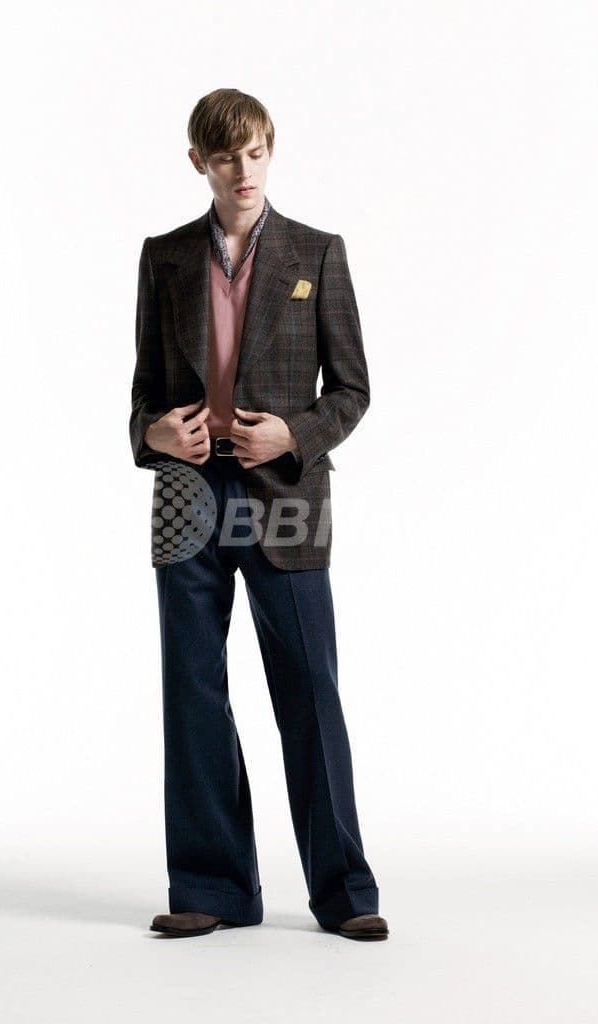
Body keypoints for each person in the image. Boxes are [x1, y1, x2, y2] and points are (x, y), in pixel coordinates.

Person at [130, 88, 388, 941]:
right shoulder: (165, 258)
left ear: (269, 153)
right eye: (225, 156)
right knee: (192, 690)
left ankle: (344, 893)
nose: (243, 171)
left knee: (309, 687)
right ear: (198, 162)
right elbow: (143, 396)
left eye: (255, 153)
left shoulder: (316, 252)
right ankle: (211, 889)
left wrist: (293, 434)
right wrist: (153, 433)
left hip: (284, 497)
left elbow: (351, 390)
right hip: (187, 496)